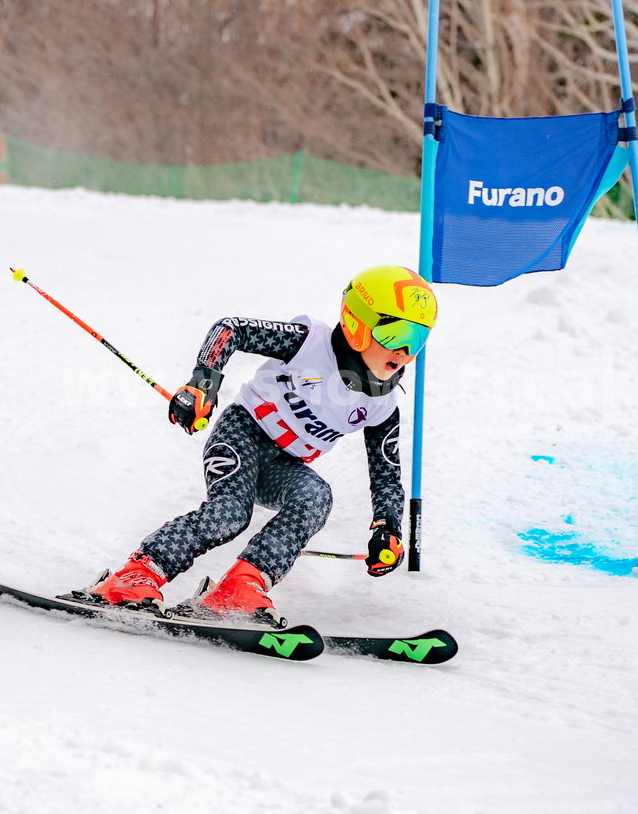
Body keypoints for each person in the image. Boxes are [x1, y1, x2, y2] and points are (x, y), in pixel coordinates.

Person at [87, 265, 437, 627]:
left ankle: (240, 586)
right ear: (357, 323)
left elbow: (386, 475)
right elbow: (231, 329)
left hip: (282, 465)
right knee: (231, 513)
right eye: (396, 332)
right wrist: (203, 384)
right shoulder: (308, 342)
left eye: (419, 338)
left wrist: (389, 528)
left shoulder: (383, 403)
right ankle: (135, 575)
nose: (406, 350)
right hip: (243, 434)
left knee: (315, 496)